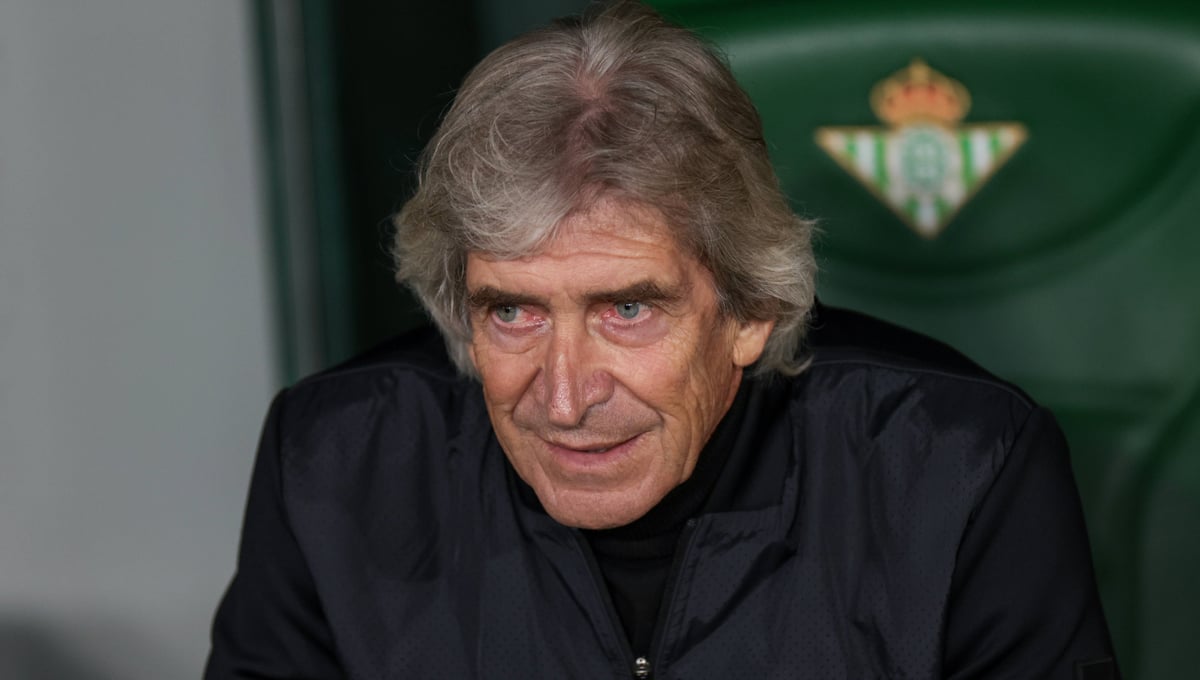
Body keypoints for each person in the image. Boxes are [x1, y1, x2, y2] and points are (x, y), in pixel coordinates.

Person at [205, 2, 1118, 678]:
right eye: (513, 313)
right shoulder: (335, 464)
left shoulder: (961, 471)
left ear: (752, 311)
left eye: (627, 310)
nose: (565, 397)